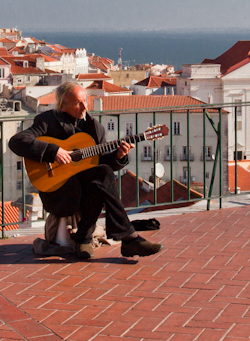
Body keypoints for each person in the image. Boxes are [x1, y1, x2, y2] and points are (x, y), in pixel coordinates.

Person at [9, 82, 163, 259]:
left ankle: (90, 238)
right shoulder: (48, 121)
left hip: (85, 189)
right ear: (62, 105)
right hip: (58, 190)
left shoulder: (94, 128)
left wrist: (119, 157)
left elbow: (101, 163)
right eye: (77, 103)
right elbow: (17, 141)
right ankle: (119, 239)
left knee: (104, 174)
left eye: (85, 101)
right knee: (102, 179)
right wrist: (54, 151)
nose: (84, 107)